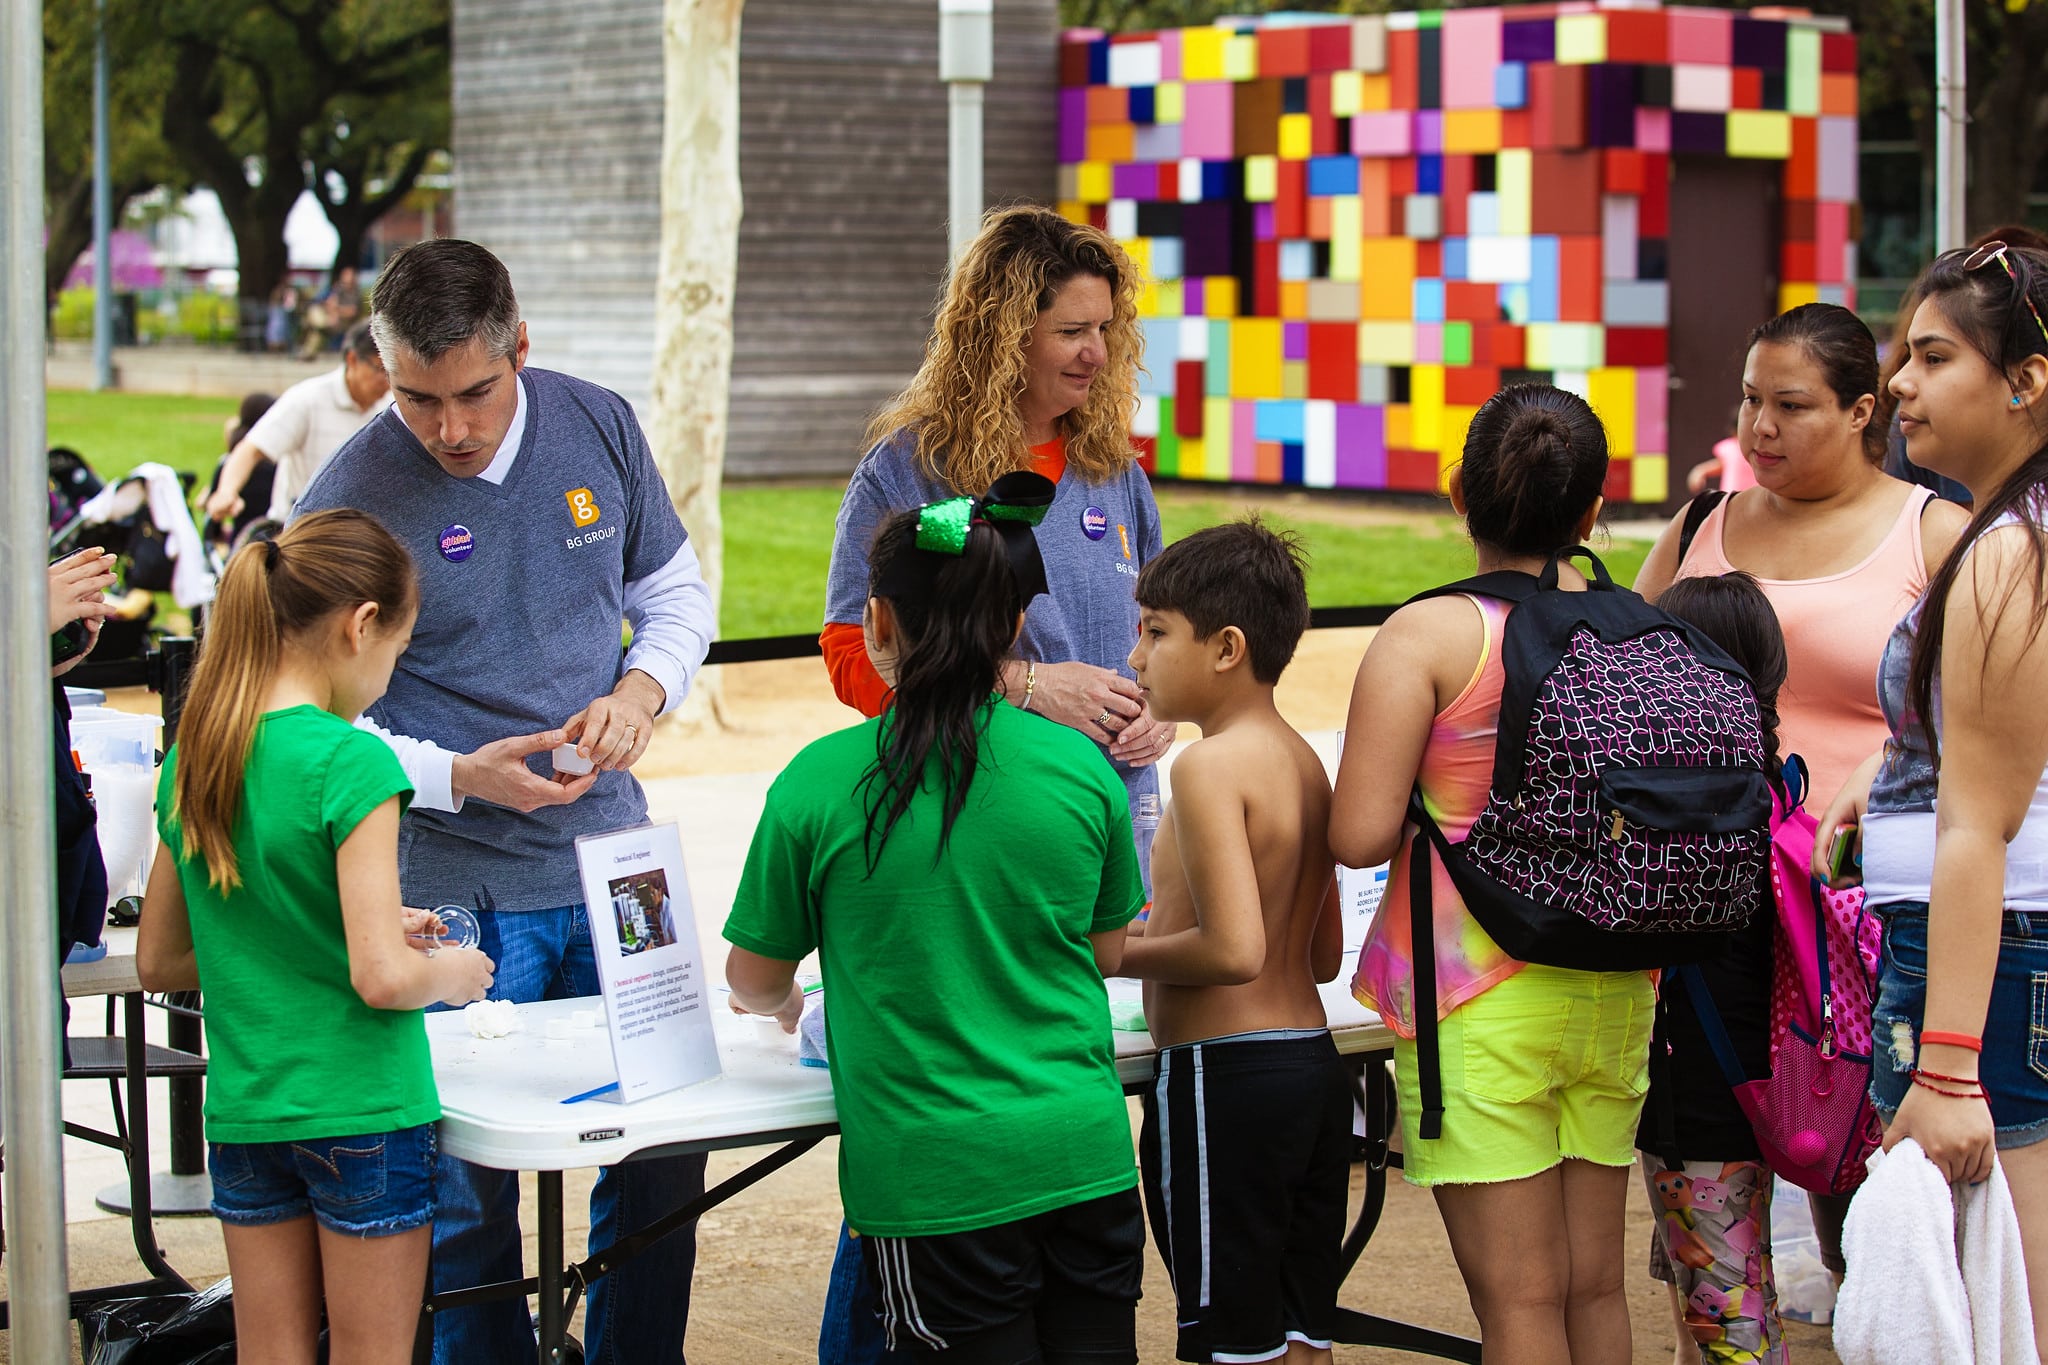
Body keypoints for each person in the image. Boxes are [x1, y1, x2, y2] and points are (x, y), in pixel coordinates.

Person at [293, 238, 718, 1365]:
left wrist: (640, 691)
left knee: (668, 1144)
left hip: (622, 866)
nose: (448, 428)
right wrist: (454, 777)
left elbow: (675, 592)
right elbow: (308, 713)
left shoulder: (598, 423)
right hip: (449, 890)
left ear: (519, 347)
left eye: (474, 392)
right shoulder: (348, 492)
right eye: (416, 397)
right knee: (466, 1189)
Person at [817, 203, 1168, 1356]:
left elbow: (1158, 626)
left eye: (1105, 332)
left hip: (1099, 842)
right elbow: (852, 658)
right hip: (957, 836)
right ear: (998, 328)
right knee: (948, 1110)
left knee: (1063, 1100)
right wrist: (1028, 688)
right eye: (1069, 328)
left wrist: (1158, 701)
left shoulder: (1112, 470)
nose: (1092, 353)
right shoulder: (920, 470)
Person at [726, 477, 1146, 1361]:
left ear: (878, 622)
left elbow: (752, 979)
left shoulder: (820, 779)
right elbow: (1104, 950)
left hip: (939, 1181)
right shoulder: (1082, 770)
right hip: (1087, 1158)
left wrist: (792, 1004)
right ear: (1015, 627)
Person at [1632, 303, 1968, 1303]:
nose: (1758, 427)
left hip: (1860, 931)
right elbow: (1620, 676)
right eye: (1747, 400)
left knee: (1872, 1232)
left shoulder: (1934, 531)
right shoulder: (1700, 524)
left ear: (1864, 411)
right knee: (1717, 1243)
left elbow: (1984, 723)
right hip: (1709, 928)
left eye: (1789, 405)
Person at [1330, 384, 1648, 1365]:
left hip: (1475, 995)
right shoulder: (1632, 627)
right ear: (1592, 511)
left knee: (1516, 1307)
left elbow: (1356, 832)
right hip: (1614, 987)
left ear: (1456, 491)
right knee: (1595, 1287)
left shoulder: (1424, 639)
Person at [134, 511, 496, 1365]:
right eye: (397, 651)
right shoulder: (354, 761)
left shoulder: (197, 754)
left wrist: (336, 931)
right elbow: (380, 977)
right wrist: (447, 970)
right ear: (361, 624)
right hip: (363, 1105)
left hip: (249, 1106)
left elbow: (162, 957)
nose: (387, 675)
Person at [1816, 239, 2048, 1355]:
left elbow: (1982, 821)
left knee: (2006, 1302)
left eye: (1928, 356)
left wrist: (1949, 1064)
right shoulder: (2011, 538)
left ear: (2026, 381)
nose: (1896, 383)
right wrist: (1889, 771)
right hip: (1990, 962)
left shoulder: (2010, 554)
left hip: (1989, 977)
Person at [1118, 519, 1349, 1365]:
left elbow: (1233, 950)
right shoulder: (1302, 759)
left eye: (1154, 631)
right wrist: (1154, 929)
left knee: (1231, 1341)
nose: (1135, 657)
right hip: (1313, 1067)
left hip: (1227, 1079)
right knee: (1299, 1334)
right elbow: (1314, 955)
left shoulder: (1206, 766)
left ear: (1225, 647)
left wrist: (1113, 950)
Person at [1633, 571, 1791, 1365]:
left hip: (1698, 1097)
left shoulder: (1695, 807)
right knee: (1721, 1304)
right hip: (1751, 1082)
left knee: (1730, 1325)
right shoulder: (1775, 786)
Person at [1882, 224, 2048, 507]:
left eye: (1934, 359)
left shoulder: (2011, 544)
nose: (1897, 383)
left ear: (2024, 381)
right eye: (1909, 356)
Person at [206, 322, 388, 528]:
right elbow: (250, 449)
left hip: (367, 535)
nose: (387, 381)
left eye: (393, 371)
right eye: (380, 369)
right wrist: (226, 493)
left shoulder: (393, 404)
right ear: (352, 359)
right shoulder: (307, 399)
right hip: (302, 534)